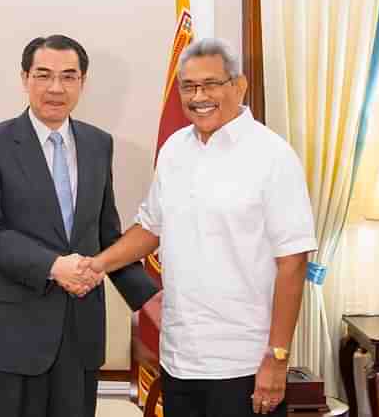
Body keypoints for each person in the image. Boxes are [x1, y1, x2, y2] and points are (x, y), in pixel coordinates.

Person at [85, 38, 317, 417]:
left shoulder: (273, 156)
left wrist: (277, 359)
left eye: (211, 84)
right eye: (189, 87)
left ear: (238, 86)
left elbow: (293, 262)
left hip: (243, 362)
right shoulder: (175, 149)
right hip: (179, 358)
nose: (199, 96)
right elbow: (150, 228)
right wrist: (95, 266)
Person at [0, 34, 158, 417]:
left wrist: (150, 300)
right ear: (25, 78)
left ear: (83, 82)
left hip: (80, 329)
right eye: (44, 75)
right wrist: (55, 266)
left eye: (69, 76)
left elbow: (106, 234)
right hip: (16, 331)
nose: (56, 87)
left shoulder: (98, 144)